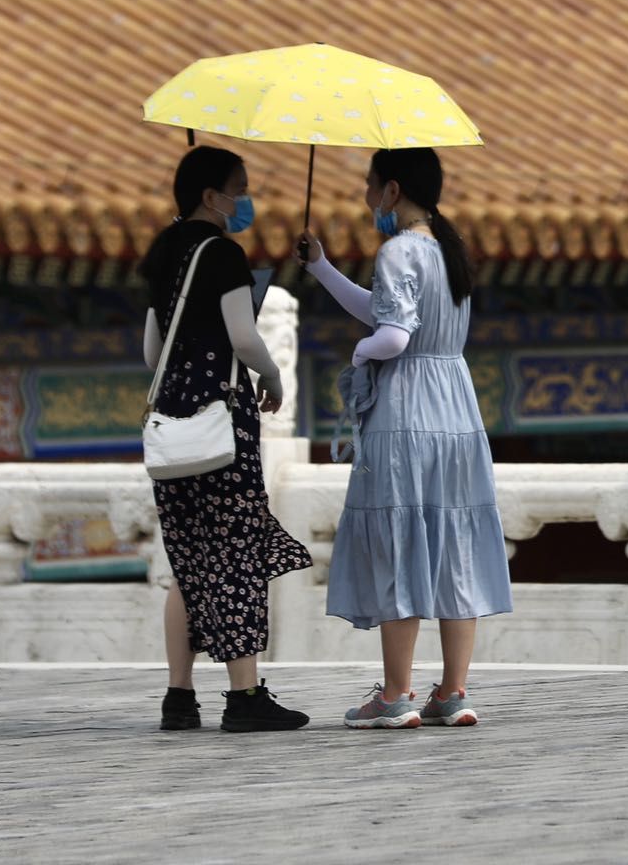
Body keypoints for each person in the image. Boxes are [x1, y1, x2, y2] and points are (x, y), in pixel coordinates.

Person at [298, 147, 512, 729]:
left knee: (400, 538)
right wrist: (321, 267)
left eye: (370, 188)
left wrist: (360, 352)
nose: (368, 200)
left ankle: (396, 695)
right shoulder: (450, 251)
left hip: (406, 406)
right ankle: (454, 692)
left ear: (392, 190)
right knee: (452, 539)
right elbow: (389, 311)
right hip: (455, 405)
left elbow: (390, 334)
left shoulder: (396, 251)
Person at [139, 145, 315, 731]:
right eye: (238, 189)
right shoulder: (224, 254)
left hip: (171, 424)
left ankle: (179, 698)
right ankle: (244, 697)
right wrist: (272, 374)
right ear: (212, 197)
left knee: (187, 559)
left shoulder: (163, 253)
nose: (245, 200)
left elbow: (150, 350)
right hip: (222, 421)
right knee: (236, 552)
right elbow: (242, 334)